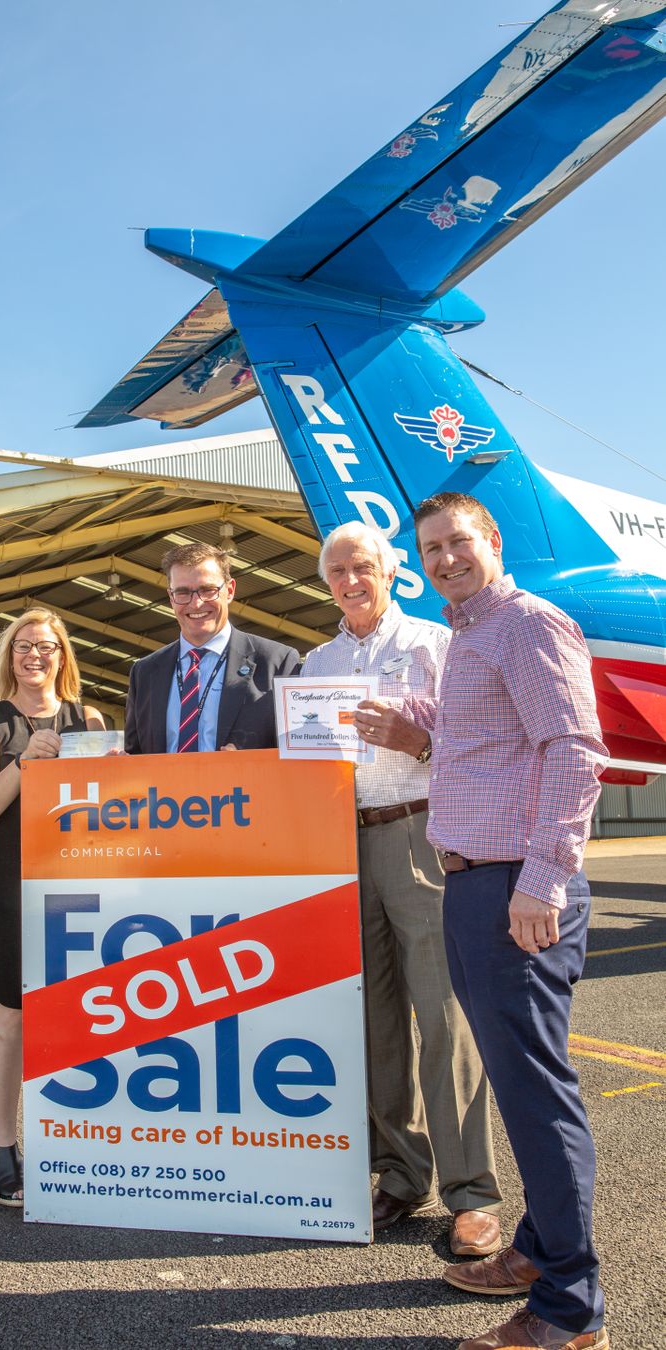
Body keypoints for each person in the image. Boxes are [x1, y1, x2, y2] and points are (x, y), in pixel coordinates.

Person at [357, 492, 608, 1350]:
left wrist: (544, 879)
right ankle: (539, 1251)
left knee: (537, 1095)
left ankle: (570, 1312)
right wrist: (415, 721)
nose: (445, 558)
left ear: (491, 541)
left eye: (459, 542)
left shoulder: (528, 623)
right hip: (470, 880)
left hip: (515, 888)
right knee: (517, 1080)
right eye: (431, 548)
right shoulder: (467, 636)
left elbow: (575, 749)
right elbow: (484, 738)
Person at [302, 521, 502, 1257]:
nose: (350, 581)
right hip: (343, 842)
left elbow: (483, 738)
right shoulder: (316, 660)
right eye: (336, 572)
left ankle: (472, 1192)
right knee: (375, 1019)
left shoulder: (435, 645)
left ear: (390, 572)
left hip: (421, 833)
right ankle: (398, 1172)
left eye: (362, 567)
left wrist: (418, 741)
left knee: (444, 1020)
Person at [0, 608, 105, 1206]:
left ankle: (79, 1135)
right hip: (12, 886)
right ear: (9, 657)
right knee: (12, 1015)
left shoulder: (89, 717)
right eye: (23, 646)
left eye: (46, 646)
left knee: (84, 1013)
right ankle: (3, 1146)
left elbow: (108, 801)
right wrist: (28, 762)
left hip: (80, 882)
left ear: (62, 654)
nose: (34, 655)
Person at [124, 541, 300, 753]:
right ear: (171, 598)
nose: (196, 604)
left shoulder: (277, 663)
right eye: (182, 593)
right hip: (164, 788)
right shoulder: (144, 672)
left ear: (230, 590)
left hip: (242, 787)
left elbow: (296, 750)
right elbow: (135, 755)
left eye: (208, 590)